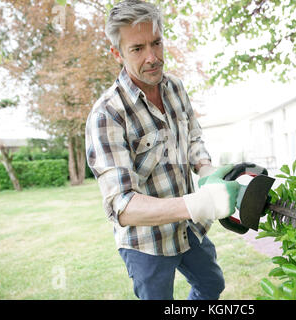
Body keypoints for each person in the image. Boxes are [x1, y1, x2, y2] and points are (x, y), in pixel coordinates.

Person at [85, 0, 240, 300]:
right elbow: (123, 206)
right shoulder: (107, 115)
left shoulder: (176, 87)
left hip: (187, 229)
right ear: (117, 53)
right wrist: (198, 204)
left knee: (211, 286)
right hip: (146, 243)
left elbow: (192, 137)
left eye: (157, 43)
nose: (153, 57)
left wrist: (205, 169)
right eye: (138, 48)